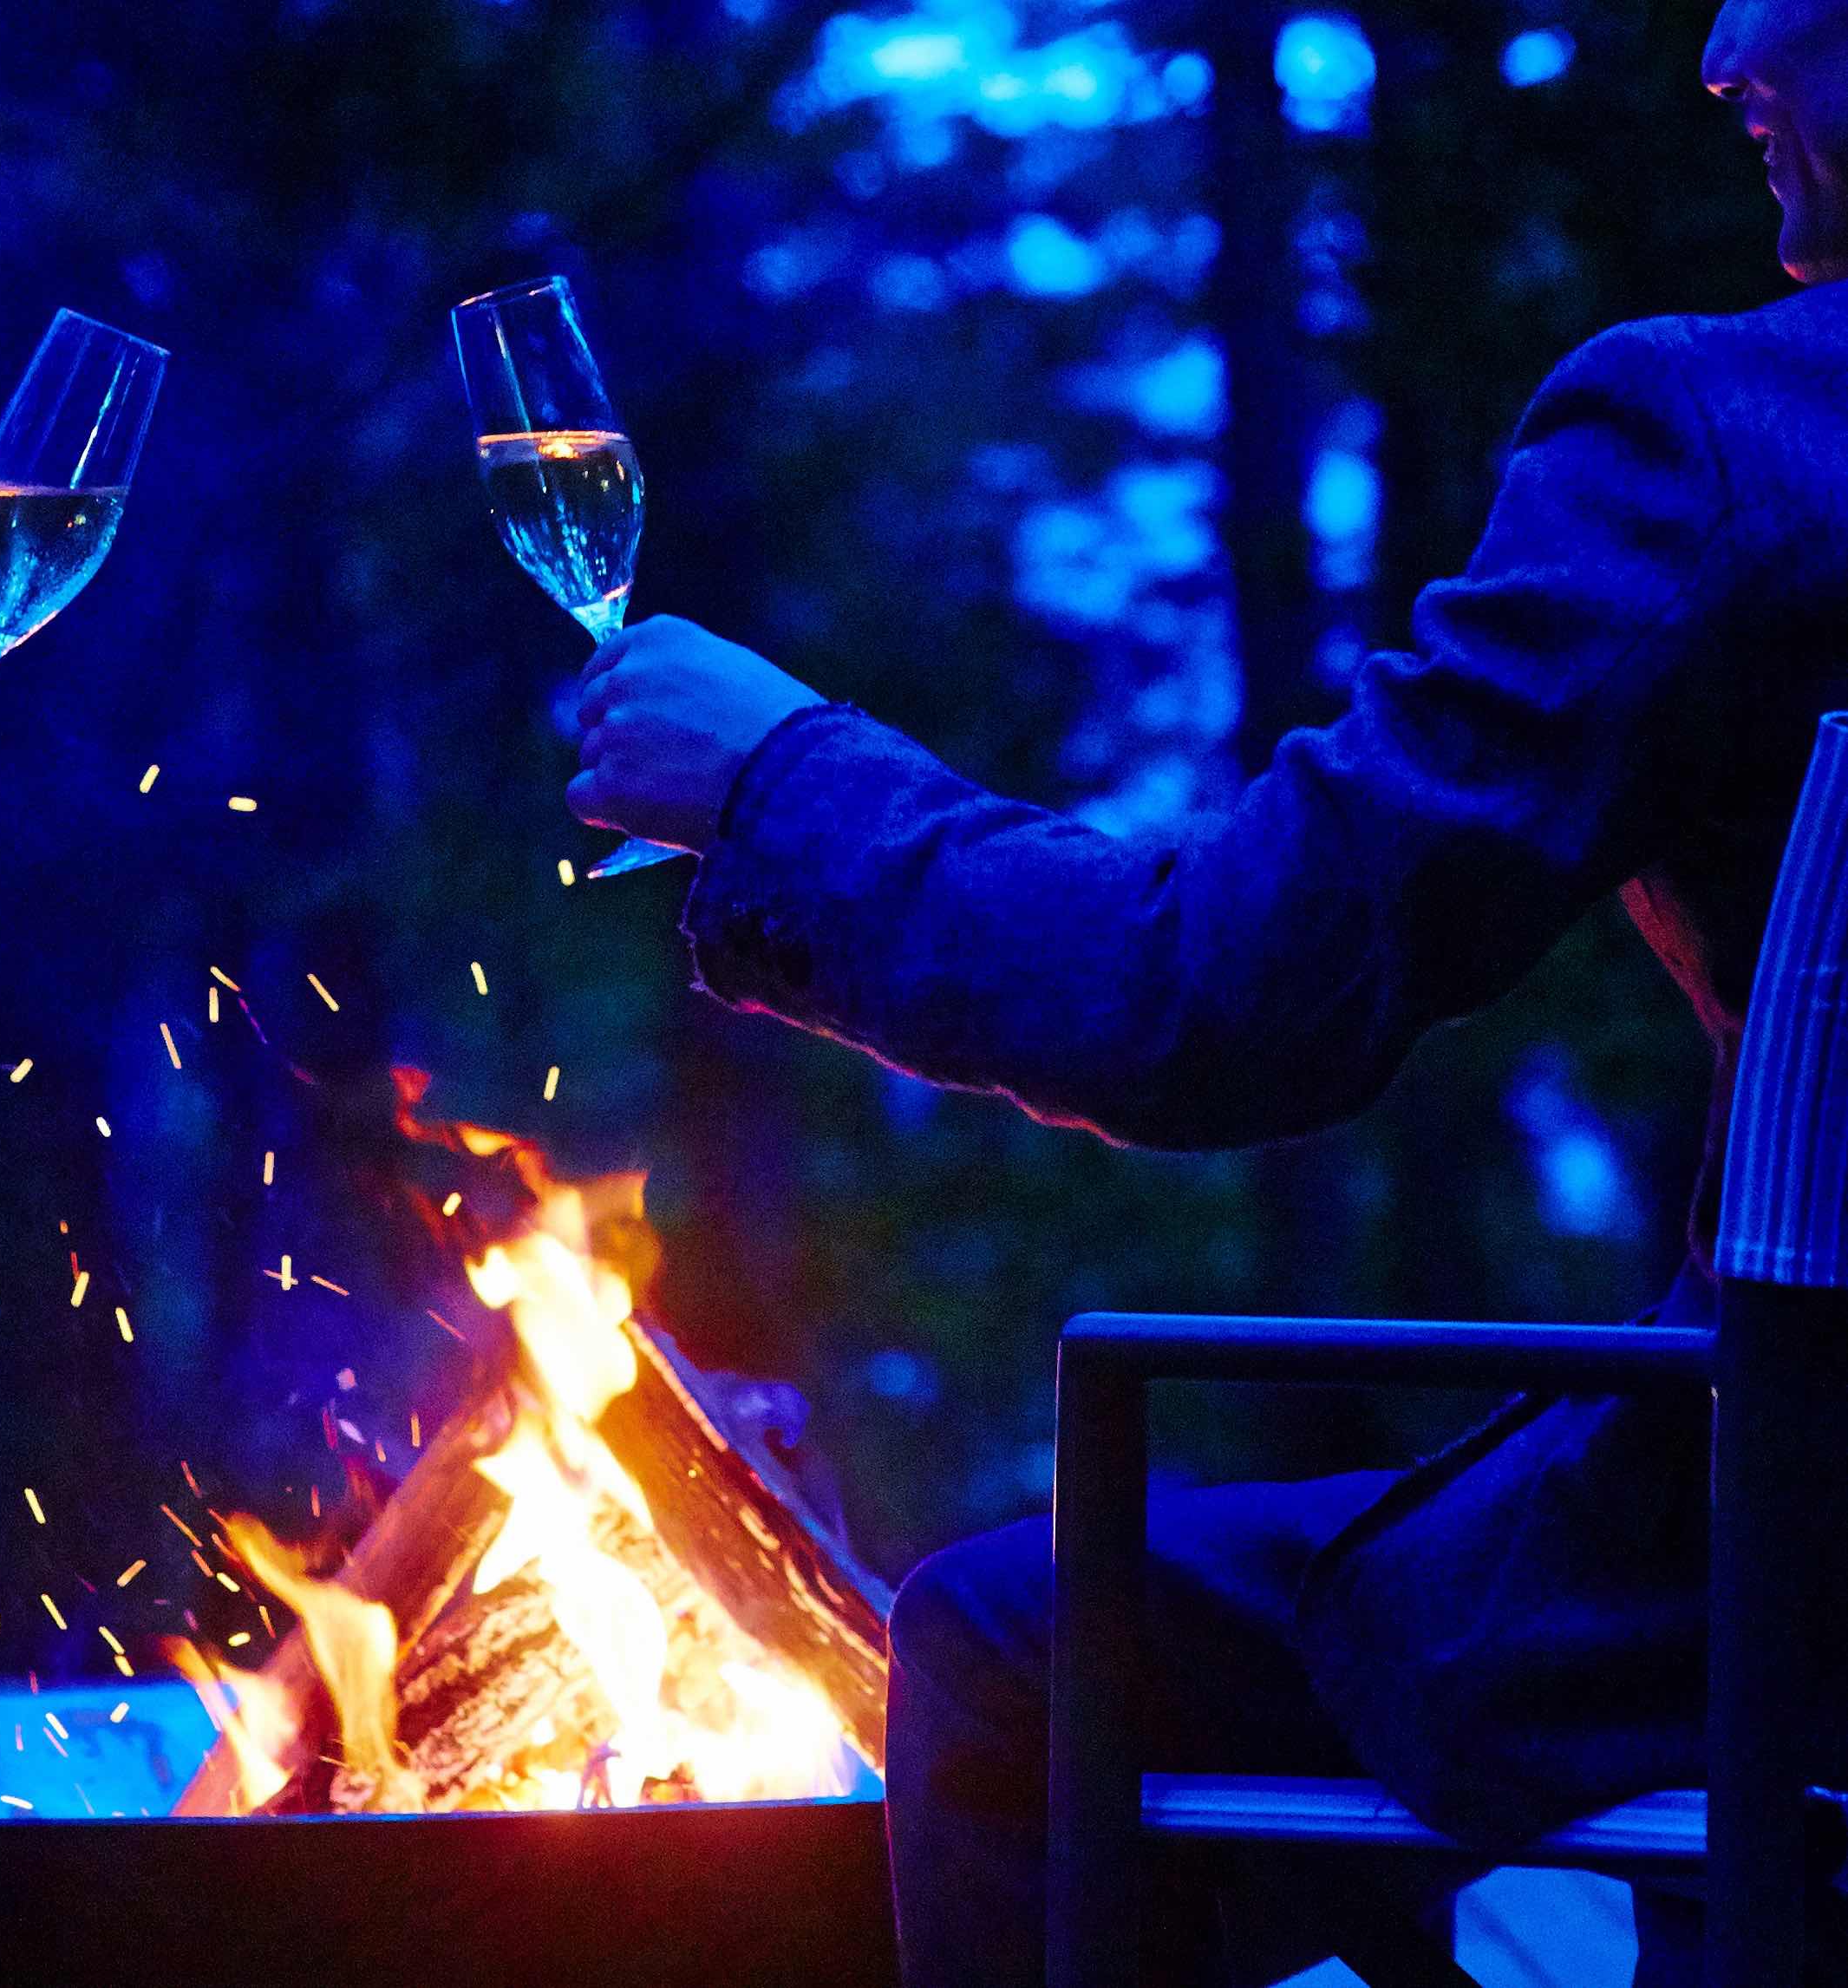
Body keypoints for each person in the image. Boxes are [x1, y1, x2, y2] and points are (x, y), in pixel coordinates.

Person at [565, 2, 1848, 1980]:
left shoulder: (1728, 451)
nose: (1715, 49)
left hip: (1795, 1593)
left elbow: (1214, 995)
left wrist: (778, 783)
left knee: (1010, 1644)